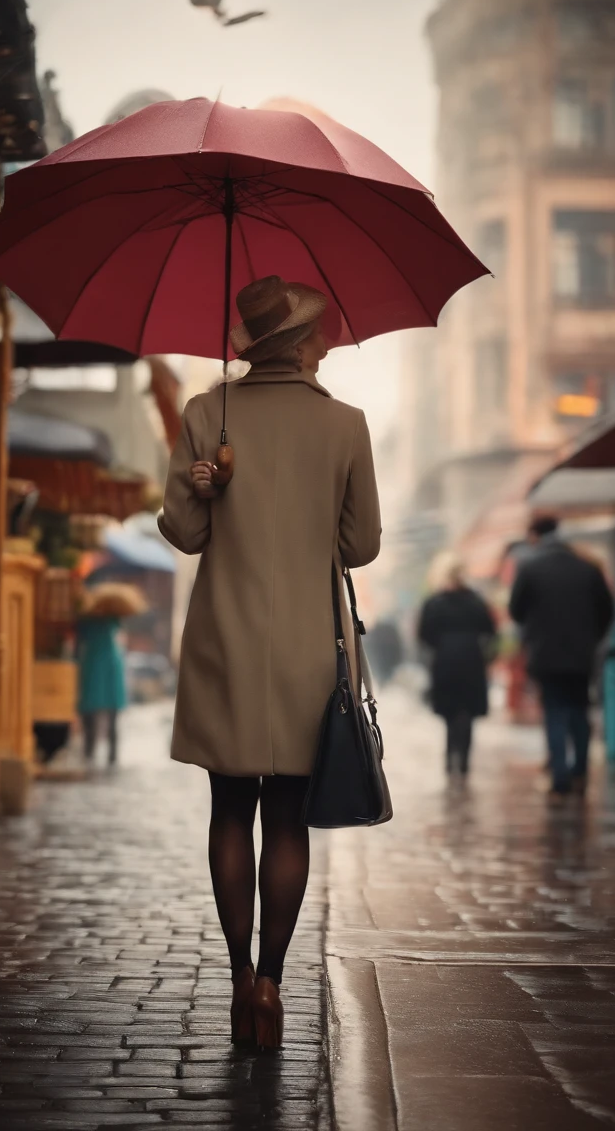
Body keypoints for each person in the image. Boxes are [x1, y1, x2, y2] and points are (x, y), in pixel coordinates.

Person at [158, 275, 381, 1050]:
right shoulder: (345, 425)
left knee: (230, 810)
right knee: (287, 818)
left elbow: (183, 534)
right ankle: (271, 985)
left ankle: (235, 974)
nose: (328, 340)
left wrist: (208, 489)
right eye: (320, 331)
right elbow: (360, 548)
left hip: (224, 640)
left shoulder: (204, 414)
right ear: (302, 344)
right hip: (306, 653)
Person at [509, 515, 614, 797]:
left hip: (546, 654)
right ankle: (580, 772)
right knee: (580, 710)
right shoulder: (588, 569)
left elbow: (515, 611)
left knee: (555, 712)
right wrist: (592, 638)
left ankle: (560, 777)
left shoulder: (530, 568)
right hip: (582, 655)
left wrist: (534, 628)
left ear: (535, 537)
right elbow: (607, 611)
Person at [417, 552, 497, 776]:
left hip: (445, 660)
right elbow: (490, 631)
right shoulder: (476, 601)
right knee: (467, 712)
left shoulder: (433, 603)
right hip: (472, 660)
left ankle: (450, 755)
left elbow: (424, 635)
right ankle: (464, 760)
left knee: (450, 712)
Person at [75, 611, 127, 766]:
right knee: (111, 716)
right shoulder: (112, 618)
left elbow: (80, 639)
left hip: (95, 664)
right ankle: (110, 755)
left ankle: (90, 752)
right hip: (107, 664)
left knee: (92, 714)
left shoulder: (89, 621)